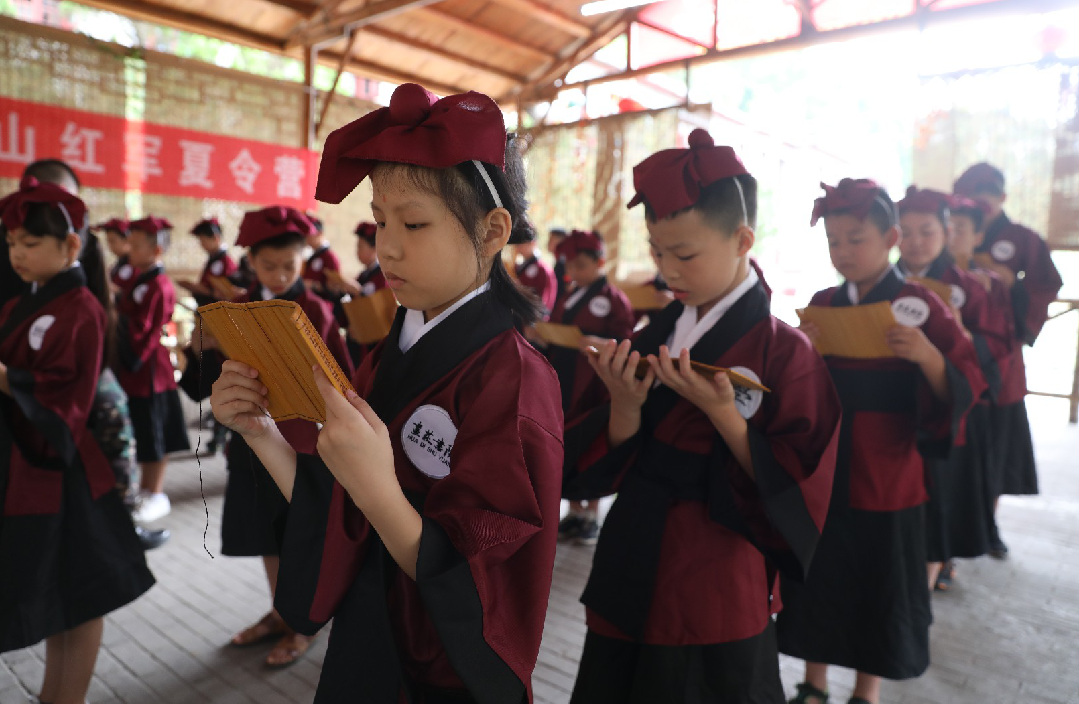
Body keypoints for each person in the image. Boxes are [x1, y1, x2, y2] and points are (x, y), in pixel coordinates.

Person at [211, 82, 563, 703]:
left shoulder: (514, 379)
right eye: (379, 221)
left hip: (440, 667)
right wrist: (259, 430)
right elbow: (339, 502)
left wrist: (376, 486)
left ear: (492, 230)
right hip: (369, 636)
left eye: (414, 223)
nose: (387, 246)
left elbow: (483, 581)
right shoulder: (389, 353)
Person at [562, 130, 841, 704]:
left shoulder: (785, 352)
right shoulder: (656, 334)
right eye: (657, 252)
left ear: (743, 239)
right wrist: (625, 407)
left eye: (684, 255)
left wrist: (728, 420)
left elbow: (801, 480)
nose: (667, 271)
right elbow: (601, 454)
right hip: (632, 548)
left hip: (714, 568)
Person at [777, 179, 986, 704]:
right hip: (826, 465)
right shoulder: (823, 304)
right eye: (833, 243)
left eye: (855, 239)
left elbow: (969, 381)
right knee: (820, 578)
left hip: (888, 468)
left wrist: (927, 357)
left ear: (890, 237)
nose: (842, 253)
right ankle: (814, 681)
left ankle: (866, 691)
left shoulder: (921, 305)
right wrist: (807, 353)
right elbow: (795, 386)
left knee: (879, 584)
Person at [0, 176, 154, 704]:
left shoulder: (81, 306)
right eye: (12, 243)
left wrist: (9, 379)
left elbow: (66, 394)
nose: (17, 254)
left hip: (63, 468)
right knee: (62, 595)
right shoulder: (26, 302)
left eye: (30, 243)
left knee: (81, 595)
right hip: (30, 462)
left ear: (70, 246)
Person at [180, 205, 352, 667]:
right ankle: (281, 611)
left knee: (302, 536)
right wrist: (197, 351)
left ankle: (304, 624)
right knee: (266, 536)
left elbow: (342, 381)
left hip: (303, 447)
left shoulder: (314, 309)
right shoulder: (231, 312)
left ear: (303, 261)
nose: (278, 275)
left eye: (289, 266)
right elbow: (202, 385)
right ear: (250, 261)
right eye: (268, 265)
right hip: (249, 439)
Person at [896, 186, 1014, 590]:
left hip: (952, 412)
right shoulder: (883, 283)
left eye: (925, 231)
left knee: (939, 505)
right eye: (905, 232)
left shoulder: (970, 286)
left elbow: (999, 346)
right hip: (898, 414)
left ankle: (932, 576)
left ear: (947, 232)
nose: (914, 242)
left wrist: (963, 335)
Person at [953, 163, 1063, 558]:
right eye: (971, 194)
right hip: (952, 356)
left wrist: (1008, 282)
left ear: (1002, 197)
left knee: (994, 453)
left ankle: (989, 527)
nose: (980, 200)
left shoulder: (1021, 239)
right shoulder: (950, 231)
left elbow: (1046, 285)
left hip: (1001, 362)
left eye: (988, 193)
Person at [545, 229, 634, 545]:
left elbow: (627, 341)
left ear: (600, 262)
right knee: (566, 441)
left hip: (594, 383)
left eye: (582, 265)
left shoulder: (614, 299)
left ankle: (592, 513)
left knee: (590, 443)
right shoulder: (570, 293)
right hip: (565, 376)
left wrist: (600, 343)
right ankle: (574, 509)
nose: (575, 272)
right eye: (571, 265)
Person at [116, 216, 190, 524]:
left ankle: (155, 491)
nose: (128, 249)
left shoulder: (158, 285)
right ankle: (143, 489)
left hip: (150, 371)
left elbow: (143, 330)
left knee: (155, 433)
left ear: (156, 250)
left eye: (135, 245)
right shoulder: (138, 278)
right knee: (143, 433)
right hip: (136, 368)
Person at [337, 221, 388, 368]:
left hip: (372, 342)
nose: (357, 251)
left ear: (374, 249)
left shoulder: (382, 277)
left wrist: (359, 292)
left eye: (360, 247)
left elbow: (381, 309)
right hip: (355, 338)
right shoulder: (362, 275)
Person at [175, 217, 237, 306]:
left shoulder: (226, 263)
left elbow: (226, 294)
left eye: (203, 241)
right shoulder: (213, 260)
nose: (202, 245)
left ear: (215, 238)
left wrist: (199, 289)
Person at [301, 212, 342, 300]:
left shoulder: (330, 257)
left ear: (319, 233)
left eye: (308, 234)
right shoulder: (313, 255)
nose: (305, 237)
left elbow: (335, 289)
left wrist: (313, 285)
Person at [513, 237, 557, 316]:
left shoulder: (542, 269)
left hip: (531, 315)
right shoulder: (519, 266)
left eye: (521, 244)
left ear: (532, 243)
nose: (518, 248)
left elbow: (543, 299)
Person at [91, 218, 135, 293]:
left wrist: (104, 284)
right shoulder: (119, 263)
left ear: (127, 240)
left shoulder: (135, 266)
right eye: (108, 241)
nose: (110, 246)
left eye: (113, 241)